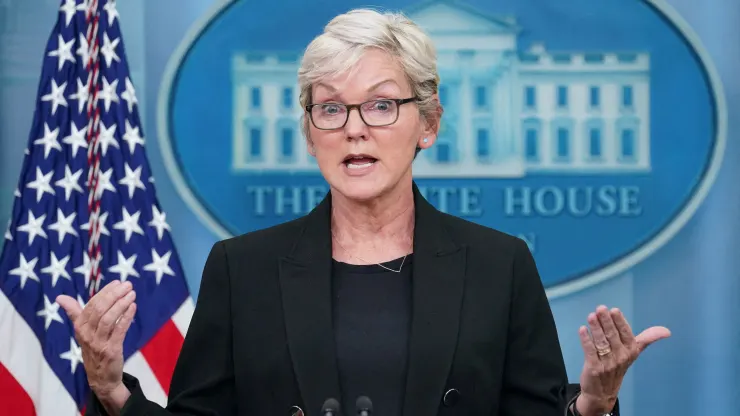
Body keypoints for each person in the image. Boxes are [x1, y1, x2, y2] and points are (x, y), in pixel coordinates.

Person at [57, 8, 671, 416]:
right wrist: (111, 388)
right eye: (331, 109)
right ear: (309, 131)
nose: (354, 130)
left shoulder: (498, 265)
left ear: (427, 124)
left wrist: (591, 402)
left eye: (380, 106)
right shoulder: (241, 269)